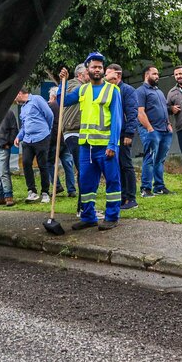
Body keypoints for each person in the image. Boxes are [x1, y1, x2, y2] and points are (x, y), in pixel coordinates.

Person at [58, 52, 122, 230]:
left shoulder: (112, 90)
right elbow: (62, 101)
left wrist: (113, 144)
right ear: (87, 69)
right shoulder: (82, 89)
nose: (97, 69)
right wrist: (61, 83)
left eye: (100, 67)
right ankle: (88, 217)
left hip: (105, 146)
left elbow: (117, 120)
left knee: (112, 181)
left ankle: (112, 217)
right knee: (86, 181)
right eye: (93, 67)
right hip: (86, 146)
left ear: (103, 70)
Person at [105, 63, 139, 209]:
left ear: (117, 75)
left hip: (124, 134)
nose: (105, 77)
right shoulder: (109, 90)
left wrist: (129, 133)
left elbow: (132, 112)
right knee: (117, 166)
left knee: (126, 165)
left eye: (108, 74)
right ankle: (122, 196)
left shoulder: (127, 90)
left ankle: (131, 198)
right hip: (113, 134)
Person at [136, 65, 173, 197]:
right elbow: (140, 112)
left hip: (164, 130)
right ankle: (145, 189)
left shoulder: (159, 91)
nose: (157, 76)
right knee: (150, 158)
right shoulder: (141, 91)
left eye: (158, 74)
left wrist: (168, 124)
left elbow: (163, 109)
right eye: (154, 74)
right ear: (147, 75)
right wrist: (149, 128)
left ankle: (159, 187)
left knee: (160, 159)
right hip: (152, 130)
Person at [14, 87, 54, 203]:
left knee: (42, 165)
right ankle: (32, 191)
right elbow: (24, 125)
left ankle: (45, 192)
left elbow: (49, 115)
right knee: (26, 163)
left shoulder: (37, 99)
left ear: (20, 93)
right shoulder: (23, 107)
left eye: (15, 95)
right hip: (27, 139)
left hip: (41, 137)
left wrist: (47, 129)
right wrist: (18, 136)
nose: (14, 98)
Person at [61, 63, 88, 198]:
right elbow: (64, 100)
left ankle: (85, 205)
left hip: (77, 131)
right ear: (80, 75)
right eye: (87, 73)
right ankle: (83, 206)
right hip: (74, 131)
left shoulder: (79, 86)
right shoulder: (75, 85)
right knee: (83, 168)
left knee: (84, 168)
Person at [46, 86, 77, 197]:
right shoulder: (67, 105)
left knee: (49, 163)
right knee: (68, 164)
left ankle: (57, 186)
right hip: (66, 139)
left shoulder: (51, 106)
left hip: (54, 140)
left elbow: (51, 125)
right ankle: (71, 189)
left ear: (53, 96)